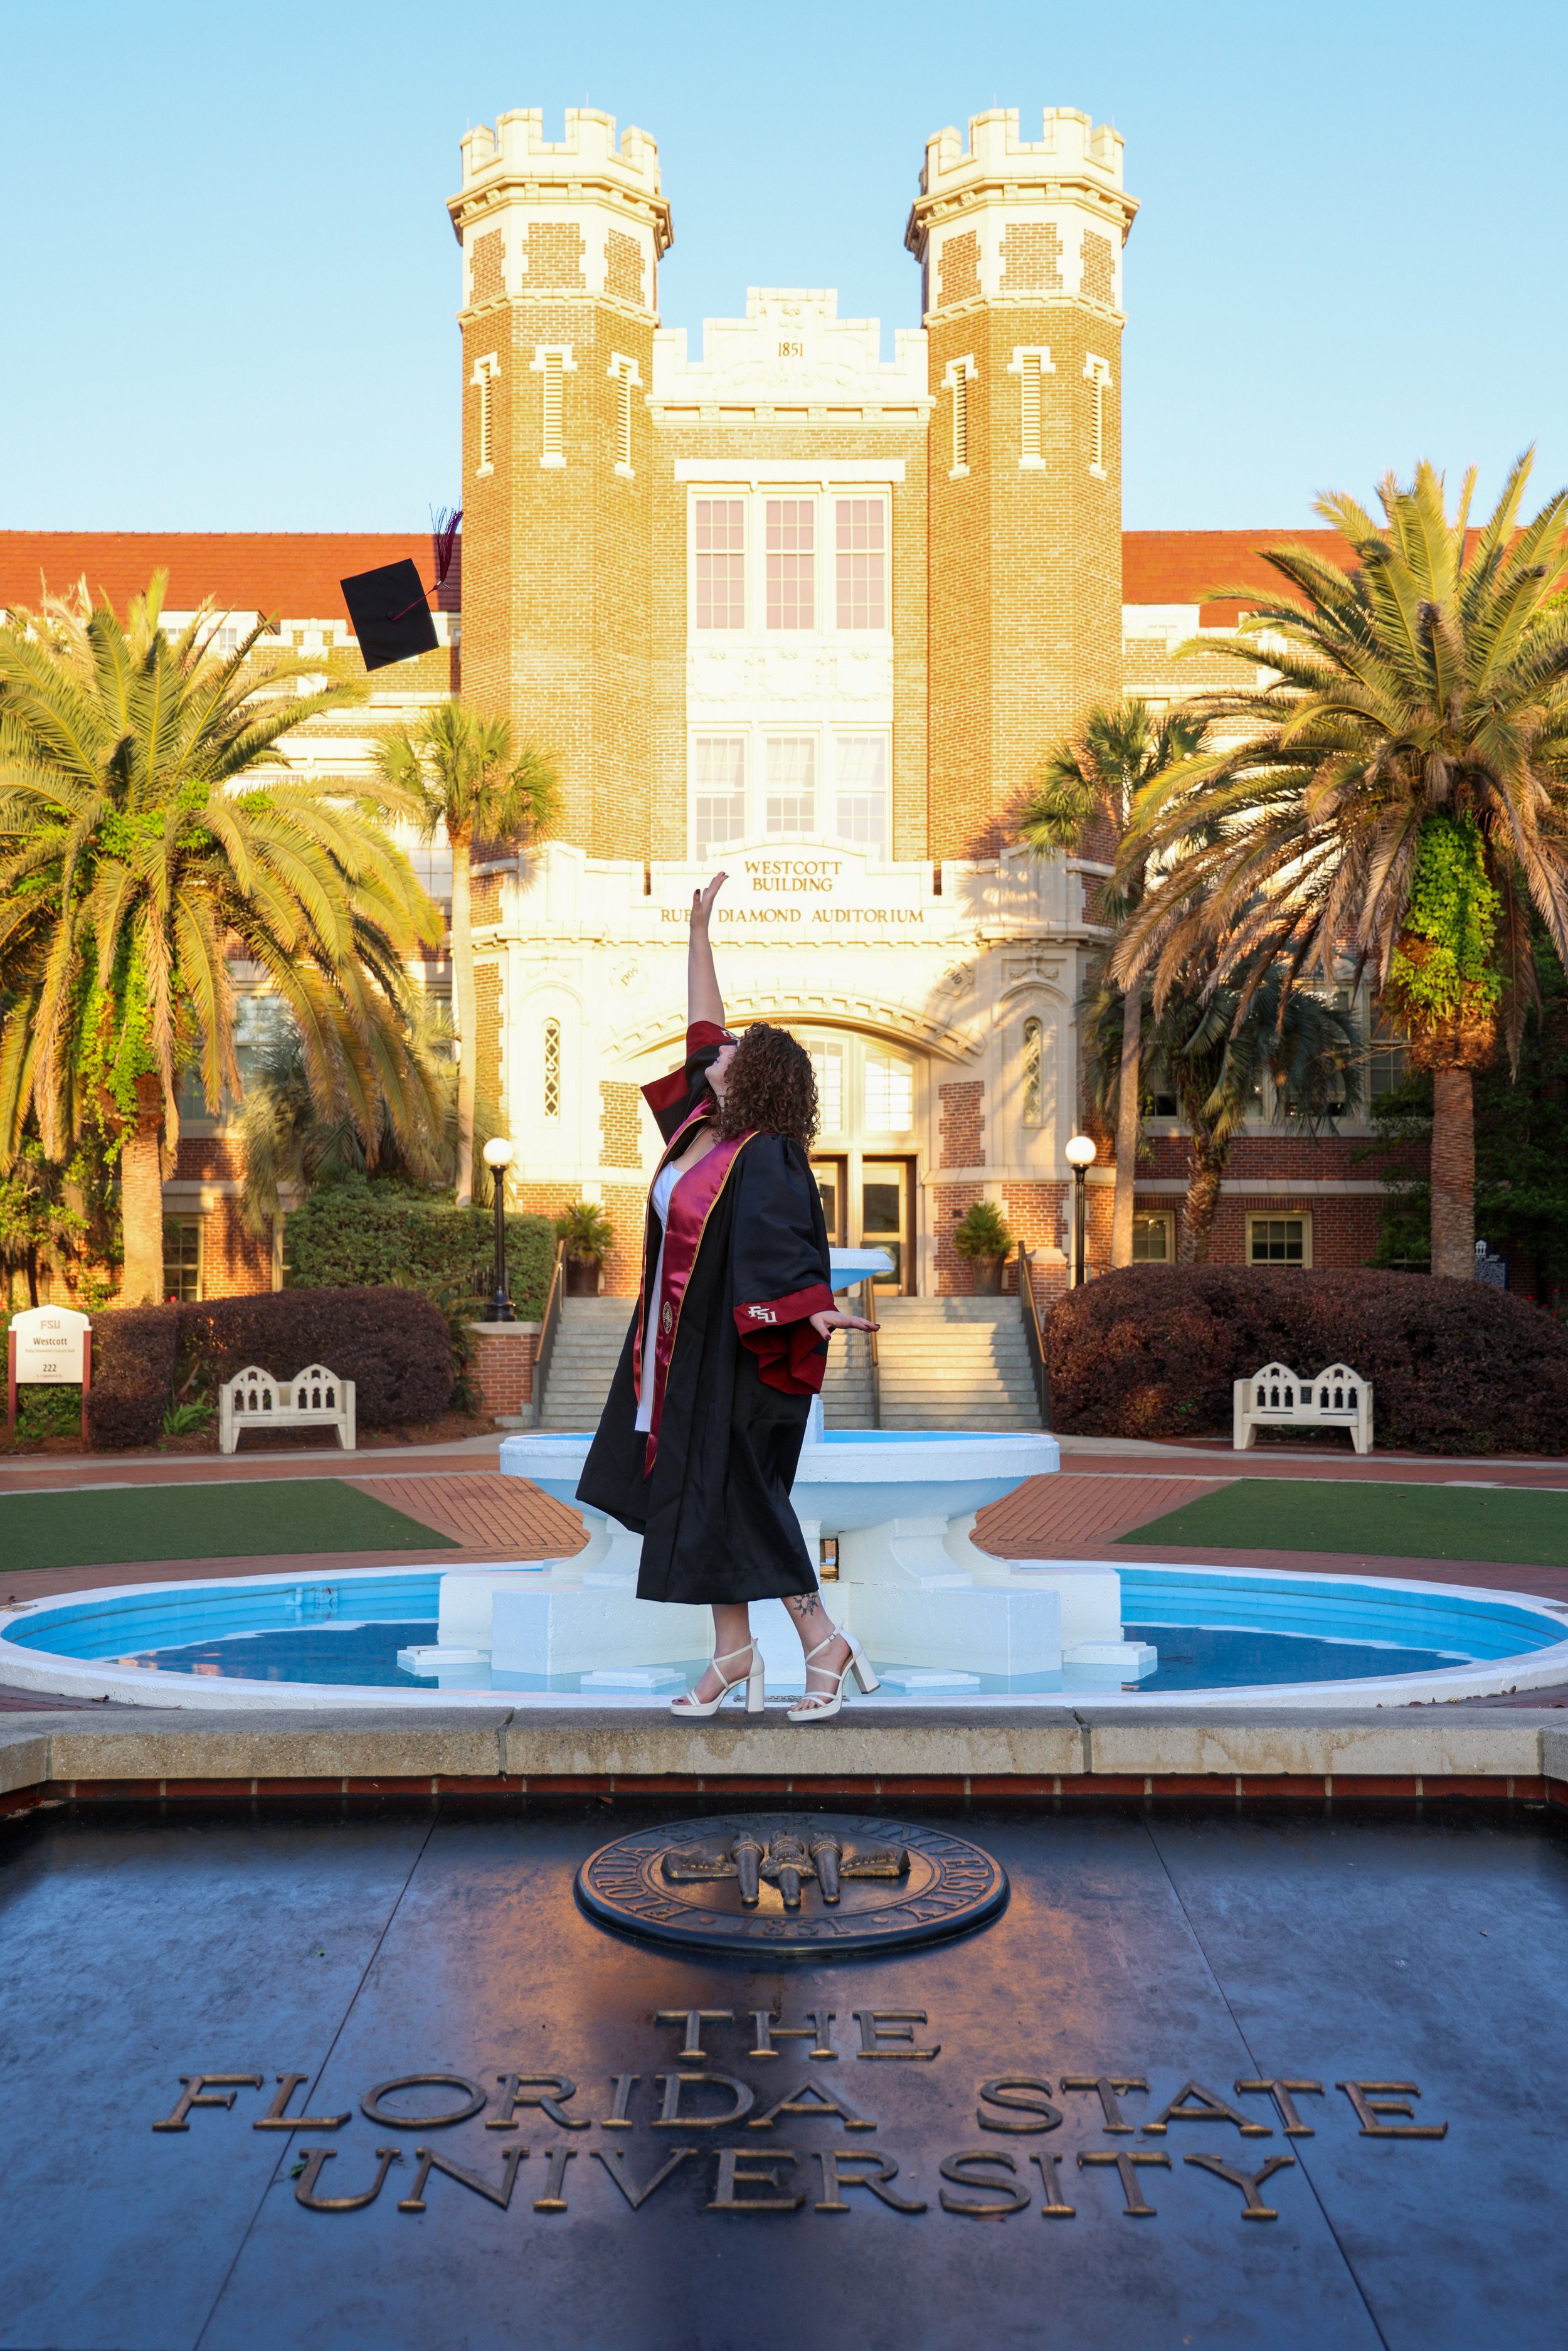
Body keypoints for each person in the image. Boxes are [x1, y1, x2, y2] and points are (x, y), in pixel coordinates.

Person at [576, 873, 880, 1723]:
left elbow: (787, 1245)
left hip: (738, 1354)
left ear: (756, 1082)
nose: (719, 1049)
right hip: (677, 1348)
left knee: (742, 1493)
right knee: (700, 1496)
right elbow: (702, 1020)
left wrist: (811, 1307)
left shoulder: (765, 1153)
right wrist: (698, 929)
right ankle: (734, 1655)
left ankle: (823, 1641)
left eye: (736, 1051)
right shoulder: (692, 1135)